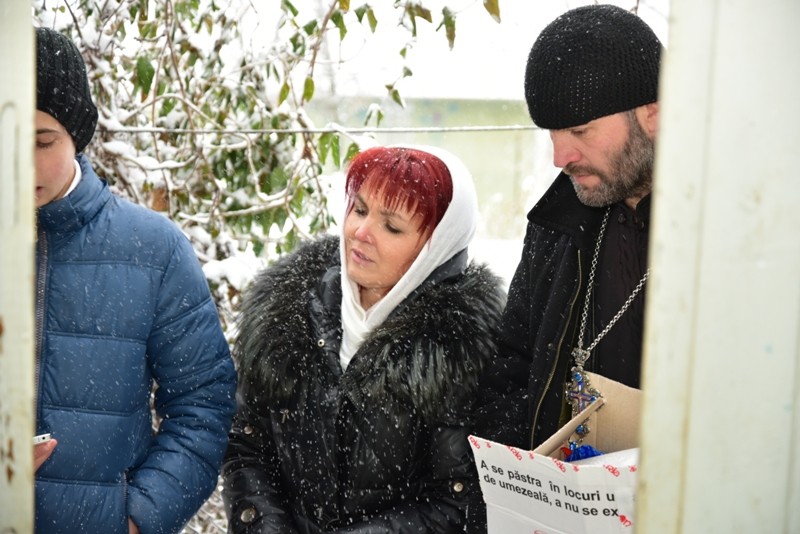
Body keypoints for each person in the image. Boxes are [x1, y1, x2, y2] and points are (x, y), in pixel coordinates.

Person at [221, 144, 506, 533]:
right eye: (358, 209)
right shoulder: (286, 312)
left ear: (437, 247)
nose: (361, 232)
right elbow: (247, 446)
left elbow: (458, 501)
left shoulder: (462, 346)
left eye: (392, 227)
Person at [33, 26, 237, 534]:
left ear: (77, 135)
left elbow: (203, 402)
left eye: (41, 141)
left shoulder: (151, 248)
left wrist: (139, 516)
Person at [476, 5, 663, 452]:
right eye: (552, 133)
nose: (561, 158)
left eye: (580, 131)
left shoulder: (733, 234)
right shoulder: (557, 225)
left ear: (652, 115)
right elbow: (513, 370)